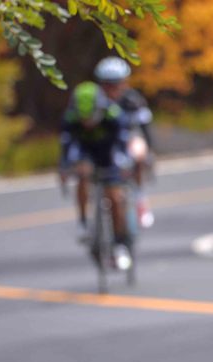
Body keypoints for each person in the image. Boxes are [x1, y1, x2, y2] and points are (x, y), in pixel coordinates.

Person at [59, 81, 133, 270]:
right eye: (83, 119)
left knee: (115, 197)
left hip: (108, 155)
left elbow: (122, 145)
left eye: (92, 117)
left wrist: (124, 163)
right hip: (86, 154)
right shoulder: (70, 118)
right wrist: (65, 168)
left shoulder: (113, 115)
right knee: (82, 175)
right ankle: (83, 222)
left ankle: (120, 242)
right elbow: (67, 147)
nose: (88, 123)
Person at [94, 56, 156, 228]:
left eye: (116, 83)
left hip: (128, 138)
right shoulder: (96, 101)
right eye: (107, 84)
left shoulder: (133, 100)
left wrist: (149, 151)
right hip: (103, 141)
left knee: (139, 151)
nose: (112, 88)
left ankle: (140, 198)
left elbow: (144, 126)